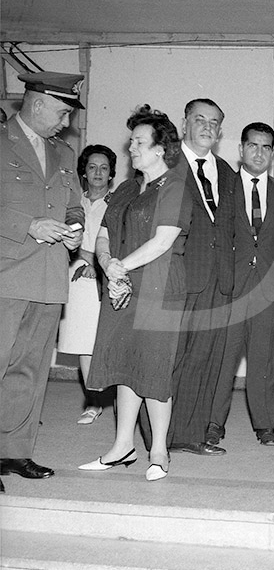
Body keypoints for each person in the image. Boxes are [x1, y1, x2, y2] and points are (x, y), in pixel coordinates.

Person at [80, 105, 192, 482]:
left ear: (161, 148)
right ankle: (122, 446)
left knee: (154, 369)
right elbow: (104, 233)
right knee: (125, 365)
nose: (131, 148)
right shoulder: (126, 188)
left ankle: (158, 451)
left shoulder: (175, 186)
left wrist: (120, 267)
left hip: (159, 289)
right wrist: (107, 263)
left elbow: (163, 241)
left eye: (139, 142)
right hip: (121, 287)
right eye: (131, 141)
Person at [1, 72, 85, 494]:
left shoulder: (64, 152)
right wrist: (28, 224)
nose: (66, 122)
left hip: (50, 278)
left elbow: (74, 205)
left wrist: (75, 229)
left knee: (30, 371)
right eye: (62, 112)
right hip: (6, 276)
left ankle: (13, 451)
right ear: (37, 104)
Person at [154, 99, 235, 456]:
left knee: (204, 359)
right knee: (168, 358)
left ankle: (188, 434)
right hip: (178, 277)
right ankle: (159, 437)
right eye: (199, 119)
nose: (207, 127)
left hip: (217, 281)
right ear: (184, 123)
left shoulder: (227, 172)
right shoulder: (165, 165)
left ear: (220, 130)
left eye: (214, 122)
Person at [208, 123, 274, 447]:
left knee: (266, 361)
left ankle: (265, 425)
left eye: (266, 147)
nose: (259, 153)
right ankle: (213, 423)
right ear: (241, 149)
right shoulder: (223, 189)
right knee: (223, 359)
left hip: (269, 292)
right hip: (230, 291)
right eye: (253, 146)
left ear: (272, 153)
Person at [57, 144, 118, 425]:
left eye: (104, 168)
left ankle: (115, 398)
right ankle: (93, 401)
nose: (98, 173)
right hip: (75, 279)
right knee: (83, 343)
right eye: (92, 167)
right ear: (83, 172)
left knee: (105, 342)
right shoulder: (72, 203)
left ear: (111, 173)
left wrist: (97, 264)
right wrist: (82, 258)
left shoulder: (116, 204)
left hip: (106, 278)